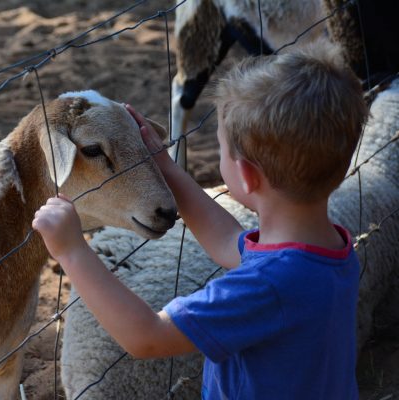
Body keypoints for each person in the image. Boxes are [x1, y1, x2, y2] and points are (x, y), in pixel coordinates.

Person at [32, 39, 369, 399]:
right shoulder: (328, 250)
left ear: (246, 175)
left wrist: (72, 252)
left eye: (221, 147)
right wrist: (165, 166)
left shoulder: (264, 287)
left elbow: (147, 337)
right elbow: (228, 240)